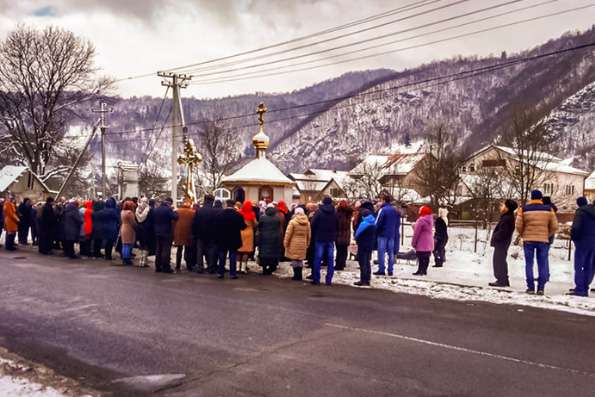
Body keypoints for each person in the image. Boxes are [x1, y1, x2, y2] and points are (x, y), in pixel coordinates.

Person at [515, 190, 558, 295]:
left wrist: (522, 234)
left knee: (529, 264)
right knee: (542, 264)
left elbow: (518, 224)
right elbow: (554, 226)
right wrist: (547, 235)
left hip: (528, 240)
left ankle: (530, 287)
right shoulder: (549, 209)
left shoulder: (523, 209)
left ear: (531, 197)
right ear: (541, 198)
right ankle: (541, 288)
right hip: (543, 241)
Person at [568, 197, 595, 296]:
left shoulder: (581, 211)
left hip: (582, 242)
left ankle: (579, 288)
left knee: (579, 266)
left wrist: (575, 239)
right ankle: (585, 286)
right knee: (590, 266)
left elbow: (576, 227)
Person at [214, 199, 246, 279]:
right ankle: (232, 273)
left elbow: (215, 226)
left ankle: (220, 272)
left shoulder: (220, 214)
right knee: (233, 255)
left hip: (222, 237)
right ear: (233, 205)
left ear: (226, 204)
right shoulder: (238, 215)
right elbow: (243, 227)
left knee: (222, 255)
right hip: (234, 238)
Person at [489, 199, 518, 287]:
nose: (502, 207)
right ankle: (503, 279)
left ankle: (501, 280)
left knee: (498, 261)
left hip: (501, 243)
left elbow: (503, 232)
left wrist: (495, 237)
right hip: (503, 242)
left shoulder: (507, 218)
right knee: (500, 260)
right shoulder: (508, 216)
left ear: (507, 208)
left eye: (504, 205)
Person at [310, 196, 338, 285]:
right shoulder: (334, 212)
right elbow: (337, 224)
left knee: (318, 258)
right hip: (330, 238)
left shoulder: (319, 212)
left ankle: (316, 279)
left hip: (320, 237)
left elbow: (312, 224)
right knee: (330, 259)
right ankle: (328, 280)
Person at [192, 195, 221, 274]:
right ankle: (211, 267)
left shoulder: (199, 210)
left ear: (205, 200)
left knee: (200, 251)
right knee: (211, 251)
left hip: (200, 234)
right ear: (212, 201)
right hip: (212, 234)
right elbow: (217, 224)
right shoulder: (215, 211)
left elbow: (194, 223)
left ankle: (200, 267)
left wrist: (194, 233)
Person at [374, 195, 400, 276]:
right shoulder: (395, 210)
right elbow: (397, 223)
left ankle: (381, 269)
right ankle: (390, 270)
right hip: (392, 234)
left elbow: (378, 222)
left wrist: (376, 231)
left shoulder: (383, 210)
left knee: (381, 252)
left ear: (384, 200)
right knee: (391, 252)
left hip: (382, 234)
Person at [284, 207, 311, 281]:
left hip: (294, 243)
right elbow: (309, 234)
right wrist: (307, 243)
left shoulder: (293, 222)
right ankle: (300, 275)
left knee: (295, 259)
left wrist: (285, 243)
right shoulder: (307, 222)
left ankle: (296, 275)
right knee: (300, 259)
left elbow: (288, 234)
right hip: (303, 243)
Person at [153, 198, 179, 273]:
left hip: (157, 232)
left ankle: (157, 266)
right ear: (169, 203)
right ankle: (165, 267)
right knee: (166, 250)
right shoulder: (168, 209)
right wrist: (175, 211)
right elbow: (176, 217)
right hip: (167, 232)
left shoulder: (156, 209)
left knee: (158, 249)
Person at [354, 209, 376, 286]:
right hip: (370, 245)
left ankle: (363, 280)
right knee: (367, 262)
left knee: (362, 262)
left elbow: (357, 234)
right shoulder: (373, 223)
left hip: (362, 245)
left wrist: (356, 239)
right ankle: (367, 279)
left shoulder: (364, 224)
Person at [258, 204, 282, 275]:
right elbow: (279, 227)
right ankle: (272, 267)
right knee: (273, 253)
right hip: (275, 238)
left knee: (264, 253)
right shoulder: (277, 218)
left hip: (264, 237)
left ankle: (264, 269)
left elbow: (259, 227)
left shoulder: (262, 217)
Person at [173, 200, 196, 272]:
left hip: (179, 233)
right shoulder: (193, 212)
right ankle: (189, 265)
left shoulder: (177, 211)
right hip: (188, 233)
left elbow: (173, 222)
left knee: (179, 250)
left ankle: (177, 265)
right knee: (188, 250)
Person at [412, 205, 434, 276]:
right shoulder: (430, 220)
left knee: (420, 257)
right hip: (429, 242)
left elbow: (416, 232)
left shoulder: (421, 220)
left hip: (421, 242)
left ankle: (420, 270)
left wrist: (413, 242)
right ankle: (424, 270)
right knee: (426, 257)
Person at [238, 200, 257, 274]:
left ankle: (237, 267)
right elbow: (255, 223)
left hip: (240, 232)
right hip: (249, 233)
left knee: (239, 251)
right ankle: (243, 268)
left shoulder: (239, 212)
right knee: (246, 251)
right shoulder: (252, 214)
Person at [135, 197, 154, 268]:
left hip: (139, 229)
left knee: (141, 245)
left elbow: (136, 220)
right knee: (146, 246)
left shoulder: (137, 210)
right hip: (147, 230)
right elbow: (152, 221)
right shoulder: (149, 210)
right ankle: (144, 261)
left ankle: (140, 261)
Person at [335, 200, 353, 271]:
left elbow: (338, 225)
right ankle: (342, 263)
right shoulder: (349, 213)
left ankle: (339, 265)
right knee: (344, 250)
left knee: (339, 250)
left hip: (339, 234)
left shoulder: (338, 214)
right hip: (346, 235)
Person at [120, 200, 137, 266]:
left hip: (123, 227)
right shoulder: (130, 213)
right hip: (129, 229)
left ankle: (124, 258)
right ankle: (127, 259)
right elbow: (133, 222)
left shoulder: (122, 212)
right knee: (128, 244)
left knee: (124, 244)